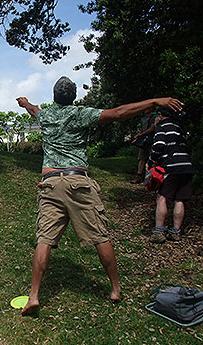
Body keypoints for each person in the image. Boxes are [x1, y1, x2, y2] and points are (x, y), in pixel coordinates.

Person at [16, 76, 183, 316]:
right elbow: (118, 113)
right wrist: (155, 101)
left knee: (44, 240)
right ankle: (115, 289)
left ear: (54, 97)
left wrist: (24, 102)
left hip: (50, 184)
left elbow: (33, 110)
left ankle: (33, 296)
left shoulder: (46, 115)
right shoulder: (81, 114)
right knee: (100, 236)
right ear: (73, 97)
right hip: (78, 182)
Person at [147, 107, 193, 244]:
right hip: (186, 167)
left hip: (171, 167)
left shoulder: (161, 128)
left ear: (160, 117)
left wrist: (151, 161)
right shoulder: (178, 128)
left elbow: (159, 145)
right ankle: (175, 231)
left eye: (156, 116)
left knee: (162, 197)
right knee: (179, 199)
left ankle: (159, 231)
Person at [130, 111, 156, 184]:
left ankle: (153, 178)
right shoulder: (143, 118)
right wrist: (138, 135)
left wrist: (142, 134)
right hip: (143, 141)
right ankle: (139, 176)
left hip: (152, 140)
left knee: (153, 158)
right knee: (141, 158)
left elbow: (152, 128)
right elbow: (141, 129)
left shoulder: (155, 117)